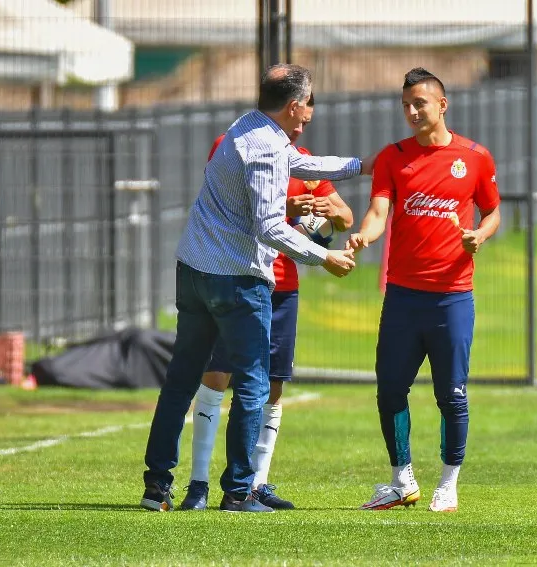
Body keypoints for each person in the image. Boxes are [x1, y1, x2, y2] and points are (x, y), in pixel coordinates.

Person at [141, 63, 374, 513]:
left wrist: (359, 166)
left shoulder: (246, 126)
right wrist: (324, 256)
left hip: (193, 270)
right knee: (252, 384)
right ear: (292, 105)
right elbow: (268, 226)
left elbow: (299, 162)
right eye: (308, 104)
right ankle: (238, 491)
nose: (309, 113)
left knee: (181, 380)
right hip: (237, 279)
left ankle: (157, 487)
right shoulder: (268, 148)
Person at [179, 95, 354, 511]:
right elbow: (240, 204)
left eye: (305, 126)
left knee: (271, 387)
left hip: (282, 286)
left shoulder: (305, 162)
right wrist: (287, 207)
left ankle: (255, 484)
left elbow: (343, 218)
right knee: (217, 376)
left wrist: (326, 216)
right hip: (236, 277)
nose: (299, 131)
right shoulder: (233, 143)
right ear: (287, 108)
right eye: (298, 121)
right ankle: (199, 483)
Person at [346, 68, 501, 513]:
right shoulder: (394, 157)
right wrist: (365, 235)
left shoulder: (475, 157)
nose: (412, 112)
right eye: (406, 105)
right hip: (402, 297)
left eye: (420, 104)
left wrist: (480, 236)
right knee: (390, 389)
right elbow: (378, 211)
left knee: (451, 394)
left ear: (442, 105)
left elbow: (492, 212)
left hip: (452, 296)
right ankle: (402, 480)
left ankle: (448, 483)